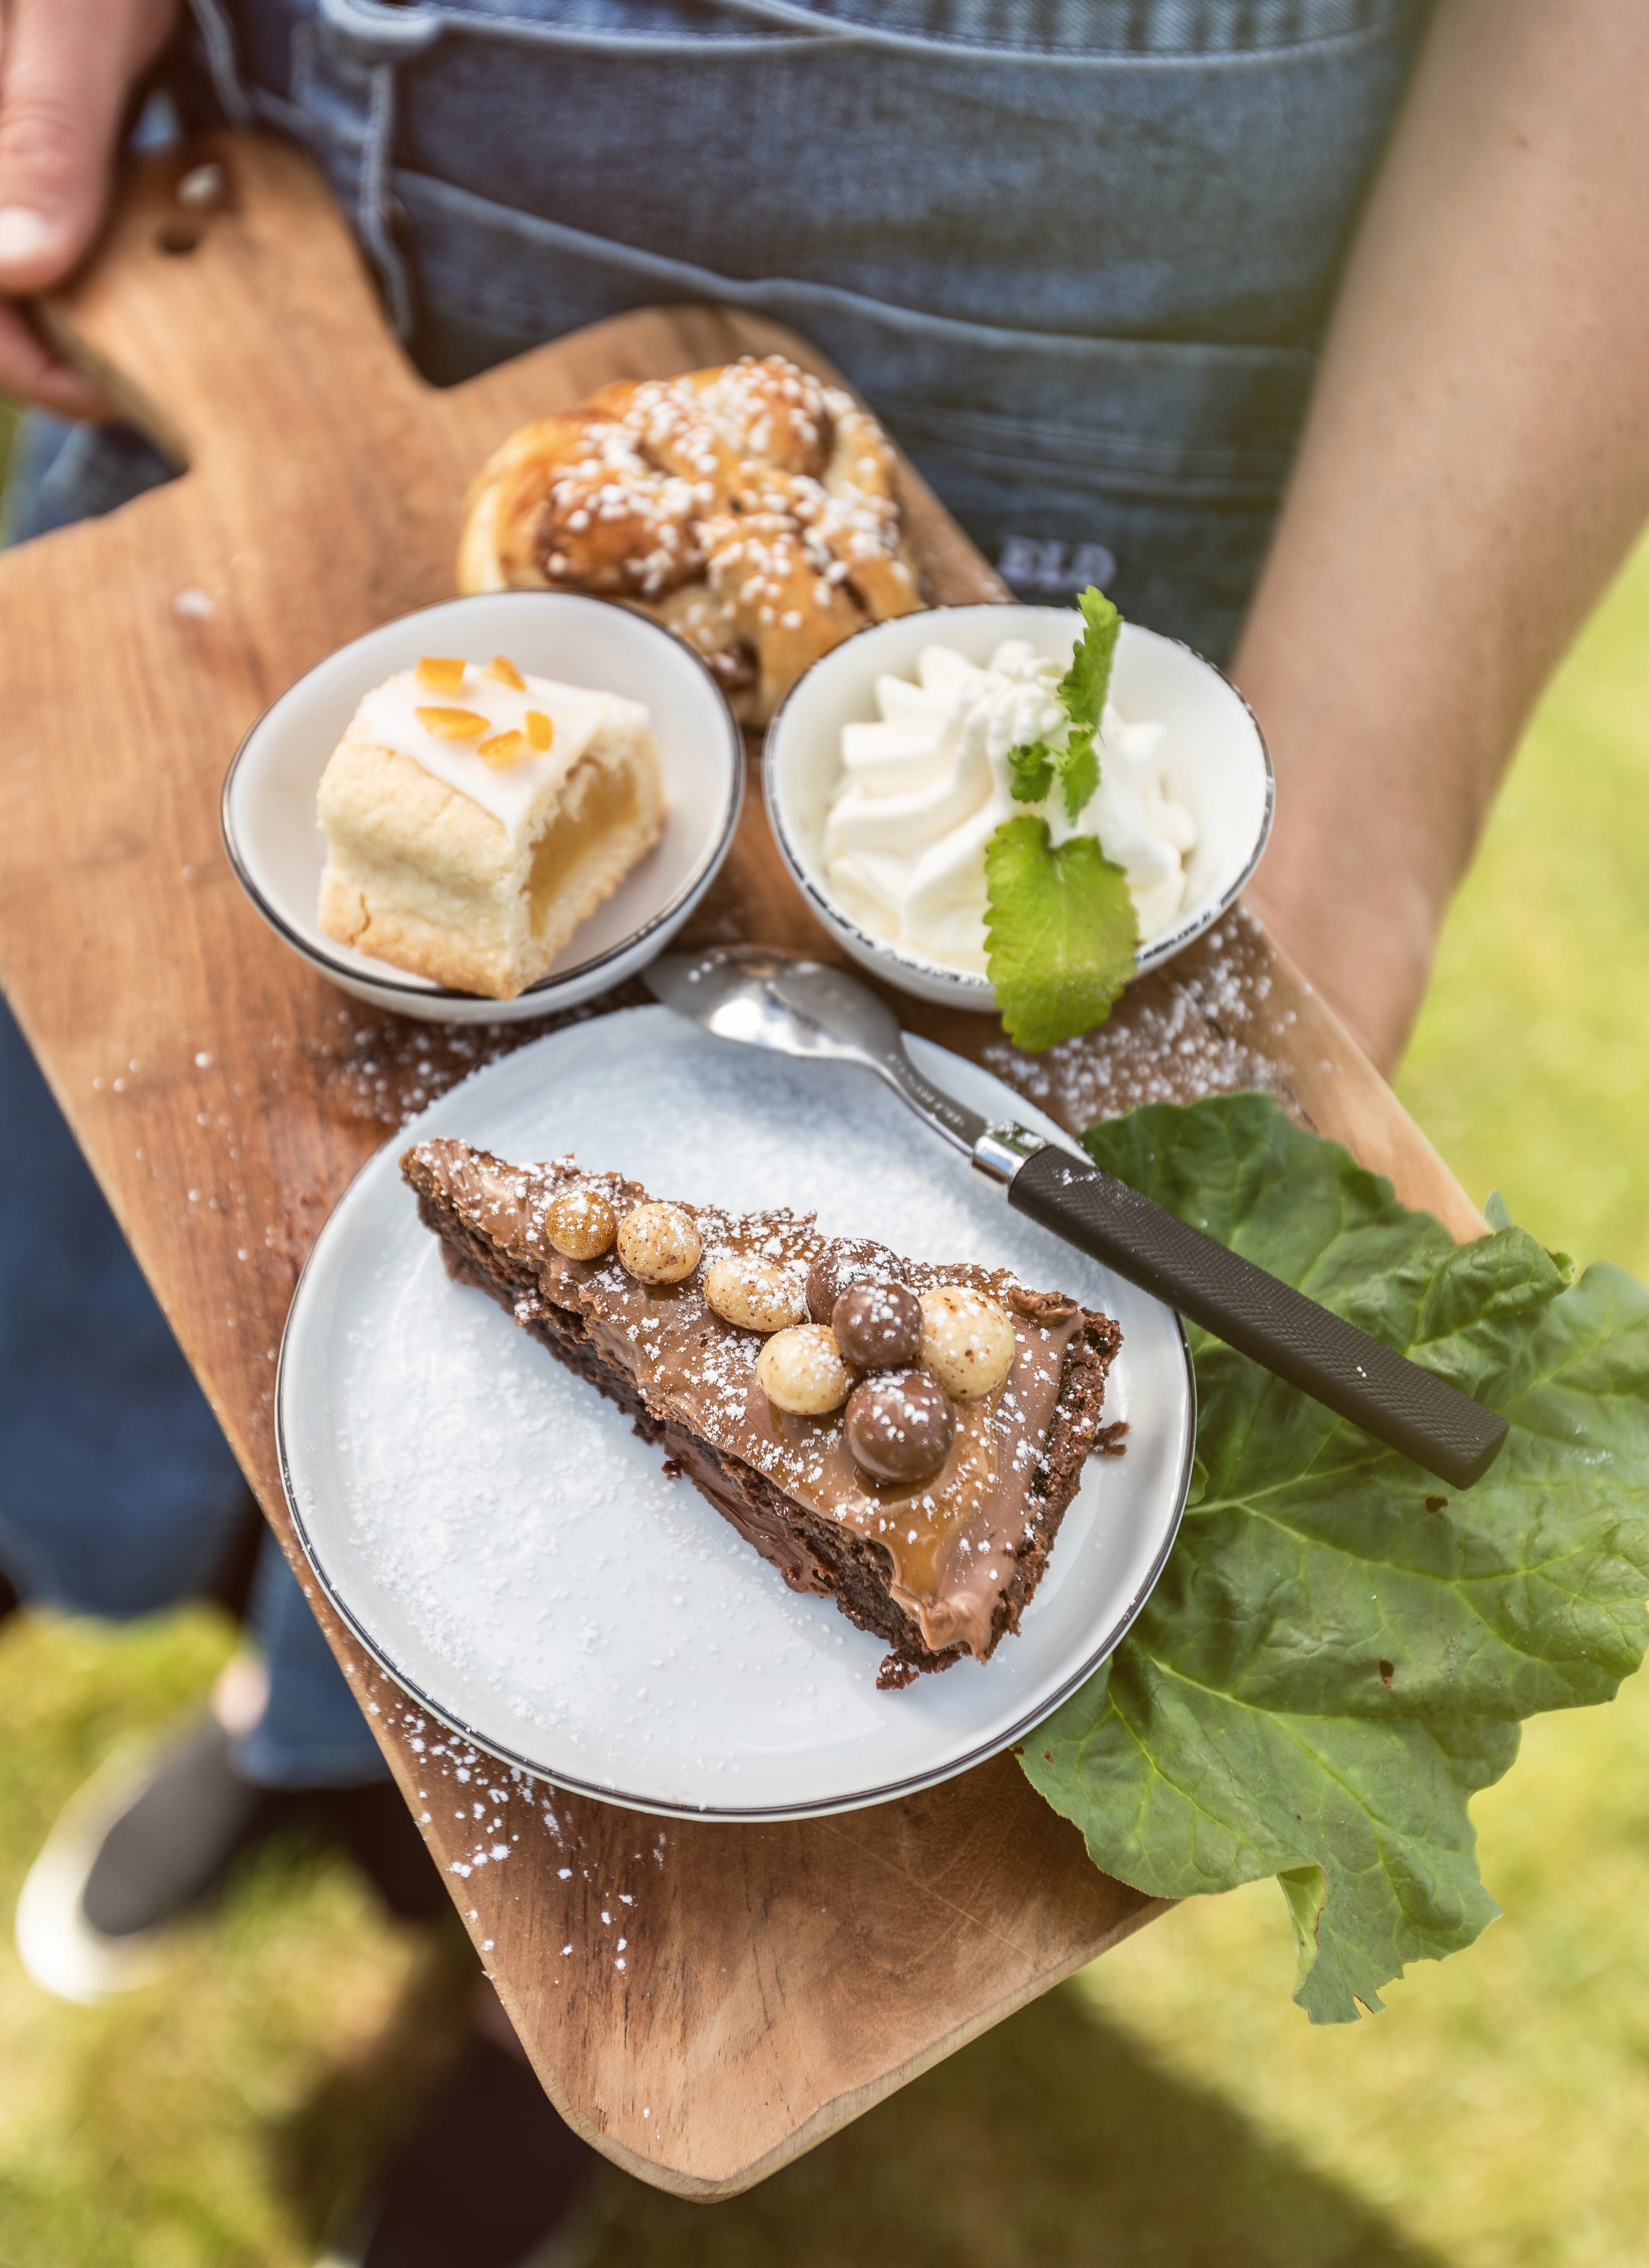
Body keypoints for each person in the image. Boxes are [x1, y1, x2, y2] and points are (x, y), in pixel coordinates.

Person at [4, 1, 1649, 2262]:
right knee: (283, 1263)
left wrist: (1343, 868)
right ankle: (316, 1743)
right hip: (288, 165)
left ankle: (546, 2053)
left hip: (1026, 372)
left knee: (731, 1699)